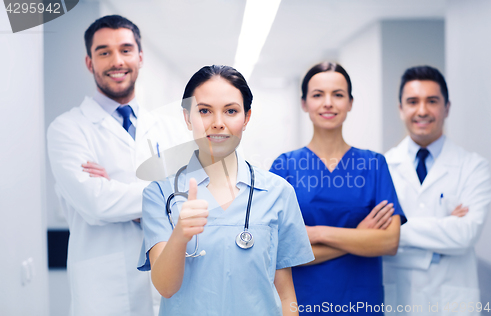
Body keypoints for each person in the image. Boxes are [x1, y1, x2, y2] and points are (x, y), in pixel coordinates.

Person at [137, 65, 314, 316]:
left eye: (231, 111)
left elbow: (286, 294)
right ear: (187, 118)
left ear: (247, 117)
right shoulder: (160, 194)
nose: (218, 123)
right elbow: (165, 287)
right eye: (205, 111)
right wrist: (180, 235)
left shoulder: (278, 193)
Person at [47, 15, 184, 316]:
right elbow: (97, 204)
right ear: (89, 62)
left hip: (170, 282)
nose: (116, 60)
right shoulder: (67, 129)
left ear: (140, 56)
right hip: (104, 292)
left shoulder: (171, 130)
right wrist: (161, 196)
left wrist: (119, 192)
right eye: (104, 52)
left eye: (125, 49)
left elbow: (189, 201)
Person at [270, 62, 406, 315]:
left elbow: (389, 241)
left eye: (338, 95)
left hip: (360, 302)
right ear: (304, 103)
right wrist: (359, 236)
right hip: (303, 302)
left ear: (350, 103)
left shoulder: (374, 165)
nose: (328, 103)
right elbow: (277, 249)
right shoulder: (285, 166)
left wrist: (317, 233)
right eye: (318, 95)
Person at [383, 66, 491, 315]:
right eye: (413, 101)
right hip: (399, 297)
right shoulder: (382, 166)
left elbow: (466, 234)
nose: (422, 110)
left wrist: (395, 228)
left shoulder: (473, 166)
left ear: (447, 107)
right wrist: (445, 225)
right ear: (401, 108)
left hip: (452, 300)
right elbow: (373, 237)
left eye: (432, 101)